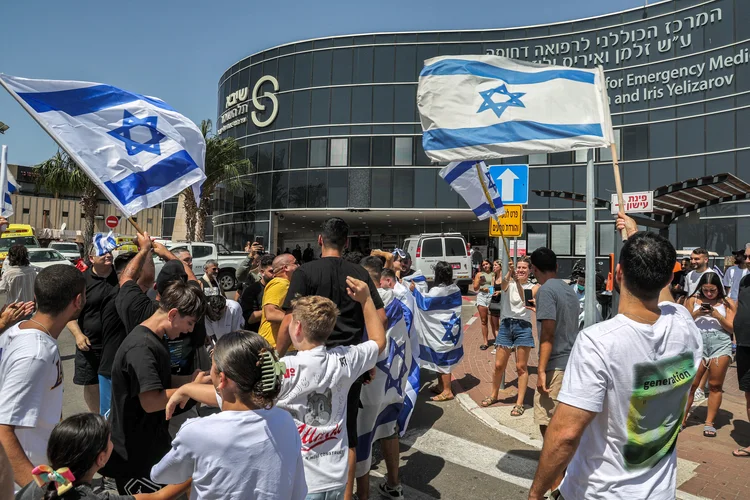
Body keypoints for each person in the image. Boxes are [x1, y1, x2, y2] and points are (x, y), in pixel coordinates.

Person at [528, 213, 702, 500]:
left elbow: (566, 434)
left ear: (618, 274)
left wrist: (535, 494)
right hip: (660, 492)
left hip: (600, 493)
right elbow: (667, 299)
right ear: (670, 277)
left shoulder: (598, 342)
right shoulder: (684, 322)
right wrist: (635, 237)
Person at [275, 218, 385, 500]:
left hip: (306, 362)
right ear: (346, 243)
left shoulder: (306, 272)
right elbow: (379, 318)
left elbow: (289, 316)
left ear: (320, 241)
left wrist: (279, 353)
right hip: (348, 364)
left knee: (298, 429)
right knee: (345, 433)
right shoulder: (358, 272)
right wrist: (366, 359)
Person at [152, 331, 307, 500]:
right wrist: (187, 389)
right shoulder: (285, 421)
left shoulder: (197, 432)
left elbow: (160, 475)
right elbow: (298, 492)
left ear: (222, 379)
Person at [105, 281, 205, 495]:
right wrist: (190, 390)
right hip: (135, 453)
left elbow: (159, 380)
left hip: (151, 442)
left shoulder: (154, 339)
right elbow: (151, 401)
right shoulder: (141, 347)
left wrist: (191, 379)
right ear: (173, 314)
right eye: (189, 322)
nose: (190, 330)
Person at [0, 265, 85, 492]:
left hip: (40, 470)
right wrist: (45, 491)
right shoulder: (36, 354)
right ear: (78, 301)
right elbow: (3, 429)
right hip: (22, 485)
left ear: (36, 298)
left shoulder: (18, 330)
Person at [14, 413, 174, 500]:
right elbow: (158, 496)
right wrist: (195, 469)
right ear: (101, 458)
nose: (112, 443)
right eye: (110, 440)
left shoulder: (42, 482)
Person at [116, 233, 205, 381]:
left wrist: (144, 250)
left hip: (148, 387)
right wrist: (167, 254)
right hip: (185, 390)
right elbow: (192, 279)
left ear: (156, 287)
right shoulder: (193, 306)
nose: (190, 327)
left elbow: (126, 278)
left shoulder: (140, 308)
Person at [528, 247, 580, 490]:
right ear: (557, 266)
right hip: (572, 362)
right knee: (561, 424)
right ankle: (564, 478)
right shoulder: (568, 289)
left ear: (534, 269)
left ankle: (556, 486)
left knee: (549, 426)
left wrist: (540, 370)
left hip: (556, 364)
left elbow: (547, 334)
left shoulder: (546, 290)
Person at [97, 252, 154, 418]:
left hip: (125, 368)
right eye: (138, 270)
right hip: (112, 370)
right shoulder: (119, 296)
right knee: (111, 423)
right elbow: (148, 279)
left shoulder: (129, 295)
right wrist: (146, 250)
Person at [680, 272, 736, 437]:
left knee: (715, 385)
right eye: (706, 290)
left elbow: (732, 328)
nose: (709, 294)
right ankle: (681, 420)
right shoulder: (692, 300)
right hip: (697, 343)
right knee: (691, 385)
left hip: (720, 343)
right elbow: (683, 323)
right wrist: (697, 313)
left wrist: (717, 315)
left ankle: (709, 422)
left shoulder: (727, 302)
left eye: (713, 290)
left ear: (719, 288)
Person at [482, 258, 538, 416]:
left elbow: (523, 298)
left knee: (521, 367)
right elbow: (502, 285)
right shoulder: (508, 283)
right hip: (506, 325)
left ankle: (519, 403)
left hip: (523, 327)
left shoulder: (534, 287)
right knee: (499, 365)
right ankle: (494, 395)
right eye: (518, 267)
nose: (520, 270)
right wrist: (509, 272)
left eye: (524, 268)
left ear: (530, 270)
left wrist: (518, 281)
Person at [67, 246, 118, 414]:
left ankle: (114, 417)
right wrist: (78, 335)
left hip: (116, 343)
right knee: (91, 383)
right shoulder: (81, 281)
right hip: (89, 344)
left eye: (110, 251)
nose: (108, 255)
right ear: (91, 258)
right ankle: (98, 418)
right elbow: (69, 314)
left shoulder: (121, 277)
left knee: (117, 381)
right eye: (103, 253)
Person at [424, 261, 462, 402]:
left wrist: (415, 290)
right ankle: (441, 386)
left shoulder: (436, 291)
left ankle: (447, 390)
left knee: (443, 358)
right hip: (451, 328)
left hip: (441, 330)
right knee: (441, 357)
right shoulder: (455, 289)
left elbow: (423, 304)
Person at [257, 253, 298, 348]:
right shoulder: (281, 283)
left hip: (278, 347)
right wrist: (302, 319)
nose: (299, 266)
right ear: (285, 268)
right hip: (274, 347)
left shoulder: (284, 284)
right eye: (295, 263)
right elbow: (271, 313)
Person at [732, 253, 750, 457]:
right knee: (748, 393)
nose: (747, 259)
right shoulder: (745, 279)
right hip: (744, 345)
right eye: (746, 256)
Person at [238, 254, 274, 332]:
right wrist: (272, 310)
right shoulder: (252, 290)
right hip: (256, 336)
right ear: (262, 272)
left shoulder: (280, 287)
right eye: (271, 271)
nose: (274, 275)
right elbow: (251, 318)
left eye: (276, 271)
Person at [473, 260, 494, 350]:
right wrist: (480, 283)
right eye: (483, 265)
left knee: (493, 320)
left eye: (487, 264)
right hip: (481, 296)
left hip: (492, 296)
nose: (485, 266)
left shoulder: (494, 273)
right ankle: (485, 342)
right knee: (483, 320)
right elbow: (475, 288)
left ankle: (497, 340)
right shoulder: (479, 274)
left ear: (490, 264)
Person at [488, 260, 503, 344]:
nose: (493, 267)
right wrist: (491, 291)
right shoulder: (494, 278)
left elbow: (508, 289)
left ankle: (505, 343)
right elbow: (491, 288)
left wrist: (500, 292)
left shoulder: (505, 277)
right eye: (493, 265)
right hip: (494, 302)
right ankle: (498, 344)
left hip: (503, 303)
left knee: (503, 325)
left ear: (500, 266)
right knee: (495, 326)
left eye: (496, 265)